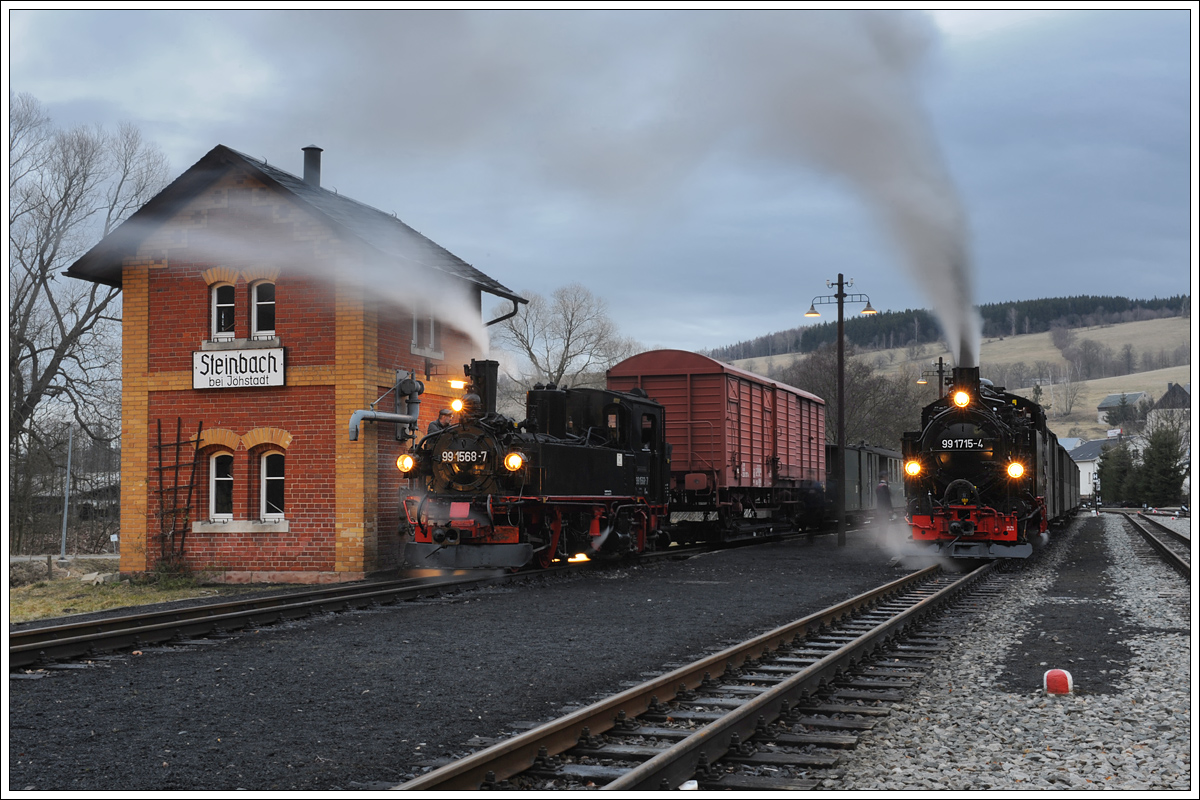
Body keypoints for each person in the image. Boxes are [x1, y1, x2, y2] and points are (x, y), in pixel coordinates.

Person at [874, 471, 893, 547]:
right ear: (884, 477)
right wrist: (890, 509)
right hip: (884, 511)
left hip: (880, 510)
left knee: (883, 526)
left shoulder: (879, 487)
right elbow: (886, 499)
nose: (888, 478)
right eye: (887, 476)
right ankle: (881, 543)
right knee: (884, 527)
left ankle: (881, 542)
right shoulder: (884, 487)